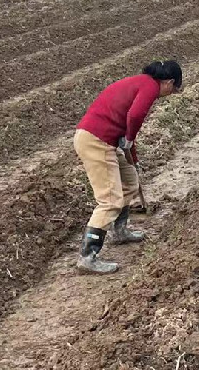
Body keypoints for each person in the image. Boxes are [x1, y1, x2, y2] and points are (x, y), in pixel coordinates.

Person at [74, 60, 183, 274]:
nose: (169, 94)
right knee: (110, 200)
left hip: (106, 139)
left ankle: (120, 231)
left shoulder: (141, 83)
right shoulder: (150, 86)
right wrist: (130, 138)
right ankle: (88, 257)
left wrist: (133, 155)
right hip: (96, 141)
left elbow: (126, 131)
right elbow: (134, 116)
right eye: (173, 90)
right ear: (169, 82)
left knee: (130, 182)